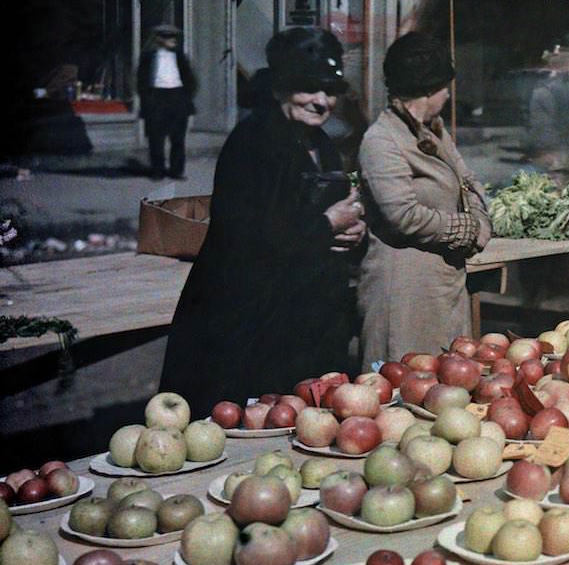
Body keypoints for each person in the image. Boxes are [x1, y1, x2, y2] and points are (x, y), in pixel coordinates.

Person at [160, 27, 365, 410]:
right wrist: (327, 225)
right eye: (309, 88)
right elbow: (245, 238)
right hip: (249, 328)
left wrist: (353, 233)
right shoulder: (253, 143)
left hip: (305, 327)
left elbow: (329, 222)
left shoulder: (321, 143)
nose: (322, 102)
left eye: (331, 90)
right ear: (279, 88)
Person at [357, 33, 492, 362]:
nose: (448, 94)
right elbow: (403, 215)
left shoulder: (435, 132)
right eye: (445, 86)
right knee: (405, 383)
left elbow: (468, 181)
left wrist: (481, 220)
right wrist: (467, 231)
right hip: (404, 290)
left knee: (450, 381)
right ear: (428, 90)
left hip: (443, 283)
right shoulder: (382, 140)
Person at [136, 24, 196, 180]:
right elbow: (141, 81)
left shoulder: (179, 56)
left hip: (177, 95)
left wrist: (186, 97)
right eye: (169, 37)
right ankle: (158, 170)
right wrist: (147, 98)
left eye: (174, 37)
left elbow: (189, 78)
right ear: (159, 39)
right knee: (156, 137)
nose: (174, 40)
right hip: (157, 97)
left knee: (178, 137)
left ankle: (176, 171)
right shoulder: (149, 57)